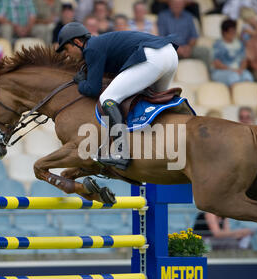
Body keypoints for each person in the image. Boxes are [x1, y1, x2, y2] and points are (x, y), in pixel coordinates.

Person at [56, 22, 178, 170]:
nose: (66, 54)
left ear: (77, 42)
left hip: (153, 57)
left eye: (66, 49)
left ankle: (122, 153)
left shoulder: (91, 49)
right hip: (169, 54)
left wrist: (80, 83)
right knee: (155, 100)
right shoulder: (99, 44)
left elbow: (93, 90)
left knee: (107, 99)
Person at [157, 0, 210, 68]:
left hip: (187, 47)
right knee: (164, 54)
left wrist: (189, 47)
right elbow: (162, 37)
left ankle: (207, 75)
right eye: (175, 4)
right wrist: (177, 48)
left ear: (184, 5)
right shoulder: (163, 16)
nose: (177, 6)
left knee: (204, 52)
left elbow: (194, 36)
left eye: (180, 4)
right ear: (170, 4)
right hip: (170, 48)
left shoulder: (188, 16)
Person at [211, 19, 253, 87]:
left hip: (238, 70)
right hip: (222, 71)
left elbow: (244, 60)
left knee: (247, 76)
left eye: (234, 31)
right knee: (233, 77)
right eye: (230, 31)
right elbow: (217, 63)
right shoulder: (217, 45)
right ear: (224, 32)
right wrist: (232, 70)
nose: (233, 34)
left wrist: (240, 70)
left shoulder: (240, 44)